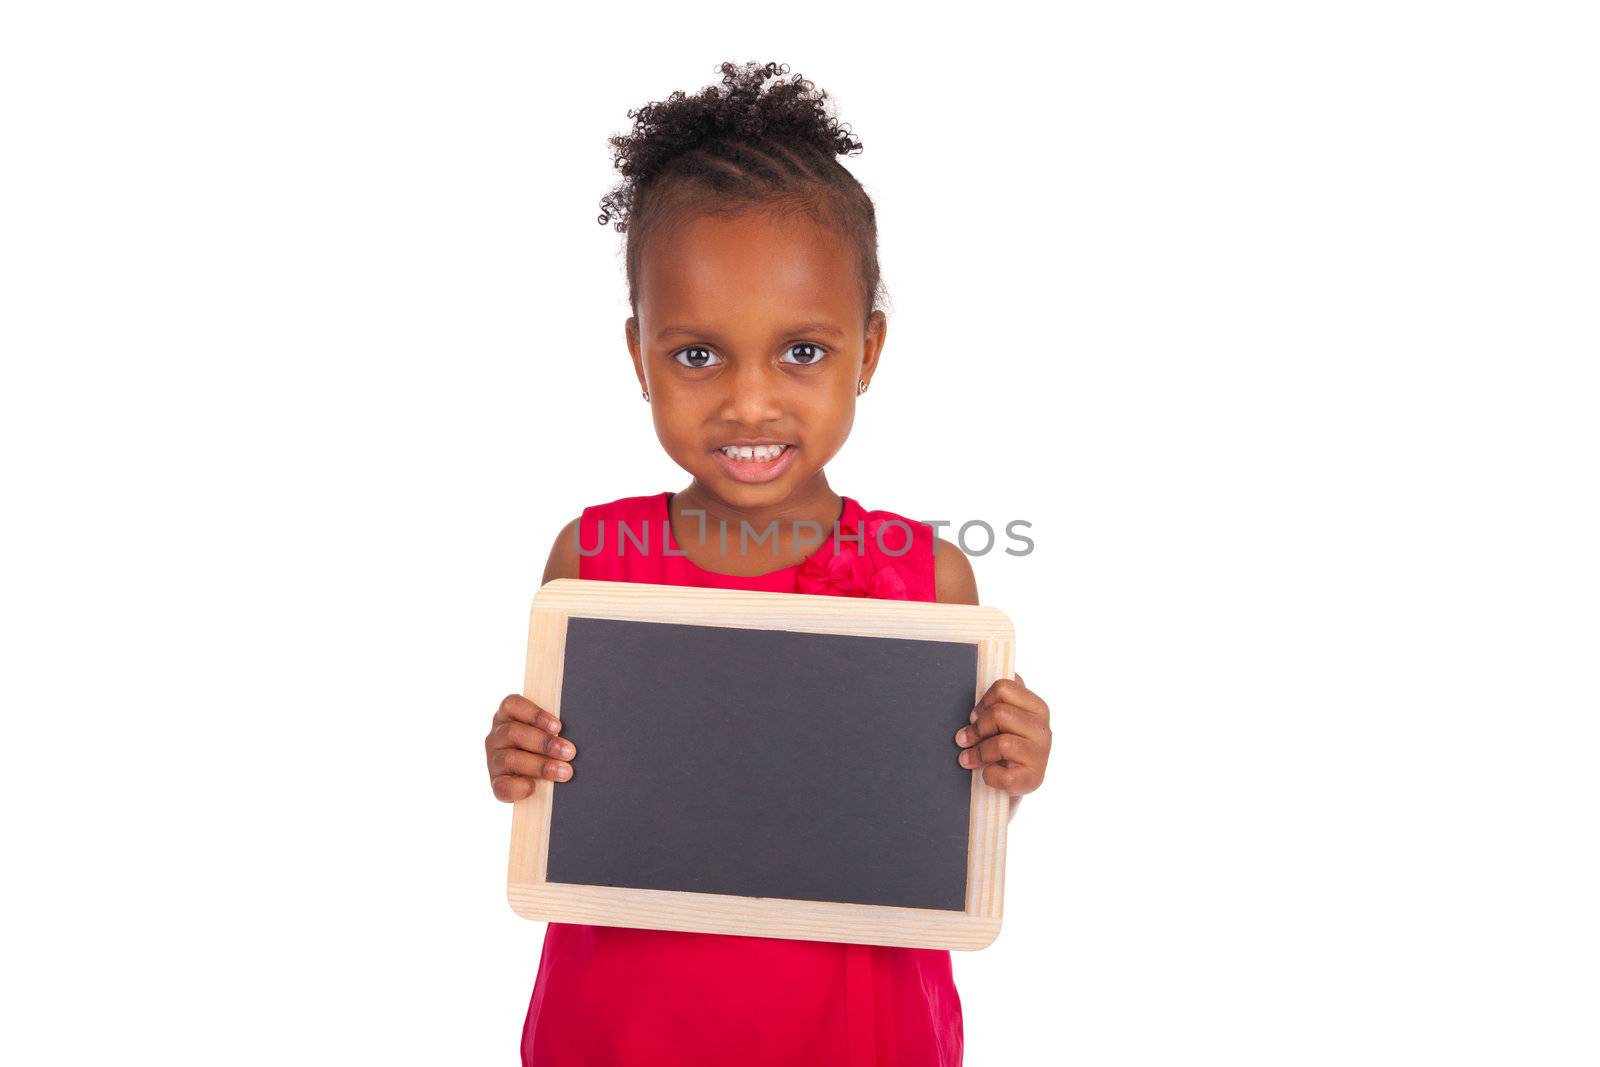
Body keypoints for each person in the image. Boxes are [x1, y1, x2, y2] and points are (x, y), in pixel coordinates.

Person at [485, 60, 1054, 1066]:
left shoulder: (927, 578)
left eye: (801, 351)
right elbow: (564, 784)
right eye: (697, 354)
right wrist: (517, 759)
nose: (749, 403)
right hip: (625, 1024)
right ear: (639, 356)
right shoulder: (595, 557)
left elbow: (950, 807)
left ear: (867, 352)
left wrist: (1015, 762)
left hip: (854, 1030)